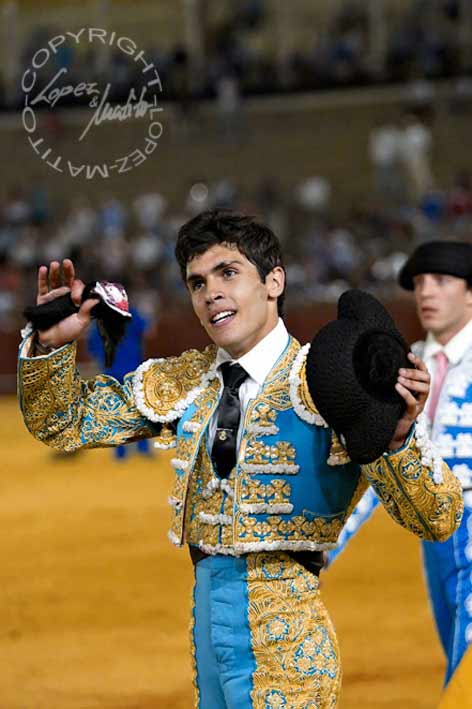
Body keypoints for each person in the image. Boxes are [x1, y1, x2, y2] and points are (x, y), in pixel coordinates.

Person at [17, 211, 463, 708]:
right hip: (206, 626)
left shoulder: (333, 380)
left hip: (288, 636)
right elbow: (63, 421)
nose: (211, 293)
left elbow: (438, 516)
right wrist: (48, 348)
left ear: (274, 281)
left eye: (228, 273)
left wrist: (399, 437)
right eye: (197, 283)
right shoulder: (185, 380)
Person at [328, 240, 472, 694]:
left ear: (470, 293)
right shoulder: (402, 363)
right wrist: (326, 541)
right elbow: (377, 464)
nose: (427, 292)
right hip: (434, 532)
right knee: (455, 647)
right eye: (421, 283)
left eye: (442, 281)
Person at [87, 304, 153, 460]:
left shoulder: (101, 320)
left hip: (111, 370)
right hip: (133, 367)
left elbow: (93, 348)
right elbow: (147, 331)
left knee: (115, 410)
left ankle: (120, 452)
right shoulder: (131, 313)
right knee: (139, 409)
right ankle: (142, 448)